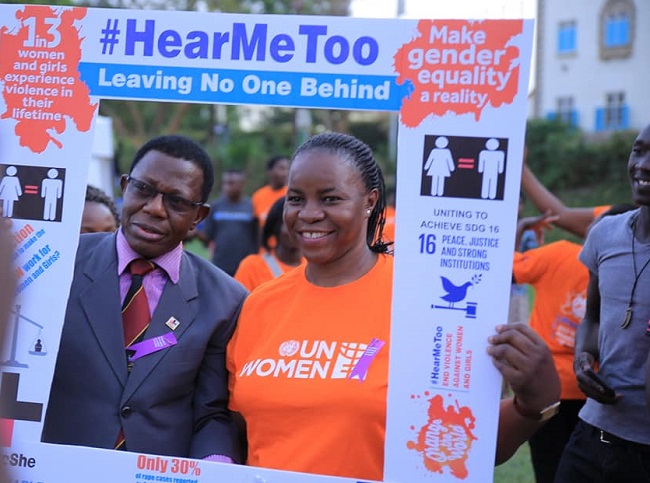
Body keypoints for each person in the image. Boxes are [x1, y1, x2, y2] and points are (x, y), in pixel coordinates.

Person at [227, 132, 561, 480]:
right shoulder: (259, 305)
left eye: (330, 198)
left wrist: (534, 406)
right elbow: (235, 429)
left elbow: (459, 443)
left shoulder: (423, 301)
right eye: (296, 199)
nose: (309, 214)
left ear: (370, 201)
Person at [42, 135, 246, 462]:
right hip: (55, 467)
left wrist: (215, 464)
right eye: (144, 190)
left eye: (177, 201)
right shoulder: (56, 265)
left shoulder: (226, 300)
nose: (154, 208)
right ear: (125, 186)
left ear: (199, 216)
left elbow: (212, 413)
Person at [555, 124, 650, 482]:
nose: (643, 165)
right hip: (592, 435)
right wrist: (583, 357)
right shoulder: (605, 234)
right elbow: (592, 318)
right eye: (638, 151)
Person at [513, 205, 634, 483]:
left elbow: (507, 268)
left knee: (551, 470)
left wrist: (520, 228)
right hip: (600, 391)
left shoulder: (557, 255)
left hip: (552, 388)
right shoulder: (632, 269)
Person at [234, 197, 302, 292]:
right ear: (275, 227)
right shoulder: (252, 267)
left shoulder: (314, 268)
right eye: (290, 223)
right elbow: (240, 305)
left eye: (302, 222)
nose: (298, 229)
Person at [199, 169, 258, 276]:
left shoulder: (252, 206)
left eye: (231, 183)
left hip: (245, 265)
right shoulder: (216, 206)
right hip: (220, 265)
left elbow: (257, 236)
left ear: (242, 184)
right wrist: (194, 233)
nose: (226, 187)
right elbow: (207, 235)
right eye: (225, 183)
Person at [251, 155, 290, 228]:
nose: (285, 173)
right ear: (269, 171)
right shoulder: (258, 196)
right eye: (281, 168)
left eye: (287, 169)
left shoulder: (292, 194)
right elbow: (256, 226)